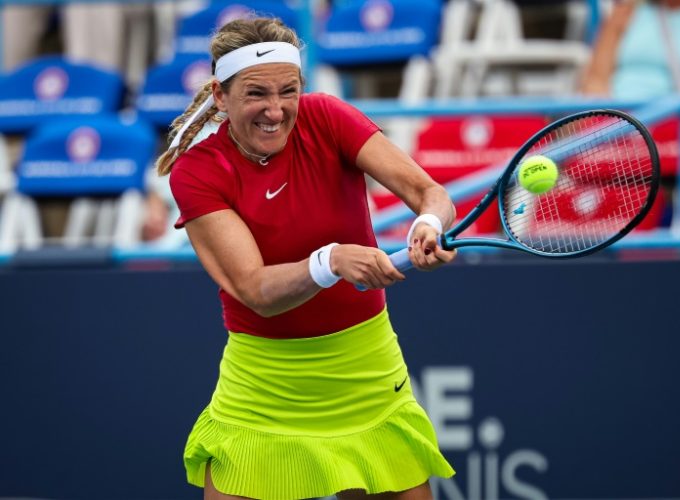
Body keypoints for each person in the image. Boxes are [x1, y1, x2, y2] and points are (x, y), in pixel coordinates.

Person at [155, 16, 457, 500]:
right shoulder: (197, 172)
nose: (275, 111)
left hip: (366, 370)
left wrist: (429, 225)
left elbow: (428, 192)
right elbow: (257, 292)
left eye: (287, 91)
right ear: (220, 95)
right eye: (256, 94)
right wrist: (331, 260)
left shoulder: (328, 117)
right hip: (263, 384)